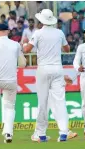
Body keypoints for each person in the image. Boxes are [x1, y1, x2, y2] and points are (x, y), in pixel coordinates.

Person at [23, 9, 77, 142]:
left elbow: (26, 50)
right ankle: (64, 132)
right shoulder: (59, 32)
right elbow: (67, 49)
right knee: (60, 101)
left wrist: (25, 43)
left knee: (43, 102)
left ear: (41, 20)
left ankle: (41, 134)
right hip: (57, 69)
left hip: (43, 69)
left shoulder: (38, 33)